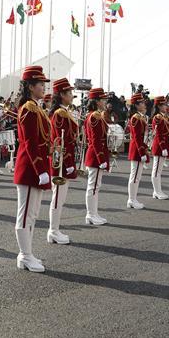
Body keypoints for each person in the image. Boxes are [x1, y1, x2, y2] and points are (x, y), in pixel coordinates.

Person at [13, 66, 52, 272]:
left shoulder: (36, 107)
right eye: (40, 84)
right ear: (30, 86)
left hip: (37, 166)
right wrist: (40, 169)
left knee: (33, 213)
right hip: (30, 167)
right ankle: (24, 255)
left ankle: (28, 253)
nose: (44, 88)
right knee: (26, 213)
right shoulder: (28, 108)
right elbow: (30, 142)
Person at [47, 77, 77, 244]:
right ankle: (53, 230)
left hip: (65, 160)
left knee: (60, 197)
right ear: (61, 95)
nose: (72, 95)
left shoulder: (64, 111)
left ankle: (55, 229)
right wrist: (68, 163)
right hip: (61, 162)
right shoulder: (60, 113)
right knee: (58, 197)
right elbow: (61, 140)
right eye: (69, 93)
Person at [83, 87, 110, 224]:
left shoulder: (96, 115)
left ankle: (94, 213)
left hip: (96, 154)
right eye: (103, 99)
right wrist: (101, 158)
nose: (105, 101)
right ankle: (90, 214)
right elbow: (95, 139)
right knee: (93, 186)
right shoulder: (94, 116)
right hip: (95, 155)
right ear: (97, 101)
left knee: (95, 186)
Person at [126, 92, 149, 209]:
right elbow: (136, 137)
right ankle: (131, 199)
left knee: (137, 176)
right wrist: (141, 151)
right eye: (141, 103)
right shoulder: (135, 118)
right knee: (134, 175)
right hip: (136, 150)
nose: (144, 104)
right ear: (136, 105)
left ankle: (133, 198)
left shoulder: (141, 117)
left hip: (139, 149)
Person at [150, 96, 169, 198]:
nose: (166, 106)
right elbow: (158, 134)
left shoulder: (165, 117)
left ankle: (158, 191)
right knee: (156, 170)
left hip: (164, 144)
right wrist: (163, 147)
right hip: (159, 146)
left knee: (159, 170)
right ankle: (156, 191)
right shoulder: (157, 118)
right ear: (159, 106)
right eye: (163, 104)